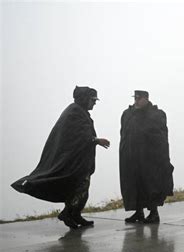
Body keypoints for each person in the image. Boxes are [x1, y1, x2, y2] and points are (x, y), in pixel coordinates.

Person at [11, 86, 110, 229]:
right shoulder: (74, 112)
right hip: (73, 162)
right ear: (84, 99)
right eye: (93, 100)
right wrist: (96, 140)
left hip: (80, 161)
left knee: (81, 188)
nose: (94, 103)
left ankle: (75, 214)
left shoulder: (80, 112)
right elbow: (77, 136)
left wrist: (93, 141)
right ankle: (67, 213)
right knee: (79, 188)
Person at [119, 90, 174, 224]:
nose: (136, 101)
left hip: (149, 158)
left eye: (139, 99)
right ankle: (138, 212)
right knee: (134, 184)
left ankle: (154, 213)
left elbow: (161, 136)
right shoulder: (128, 114)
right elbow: (124, 134)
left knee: (150, 185)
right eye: (135, 99)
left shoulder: (156, 114)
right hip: (131, 157)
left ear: (146, 99)